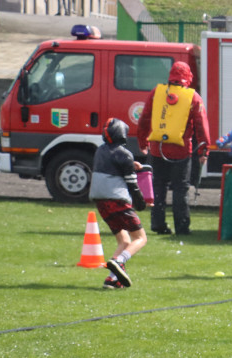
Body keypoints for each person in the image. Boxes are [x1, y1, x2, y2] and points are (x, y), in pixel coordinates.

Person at [137, 61, 211, 236]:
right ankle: (182, 226)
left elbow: (145, 119)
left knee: (158, 188)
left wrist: (143, 142)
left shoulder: (157, 93)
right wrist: (204, 150)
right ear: (188, 77)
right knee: (180, 189)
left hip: (157, 149)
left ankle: (158, 224)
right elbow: (202, 126)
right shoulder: (193, 97)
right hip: (181, 151)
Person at [88, 118, 148, 289]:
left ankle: (112, 279)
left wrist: (130, 165)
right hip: (117, 201)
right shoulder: (125, 154)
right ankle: (119, 261)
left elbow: (113, 166)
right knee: (141, 238)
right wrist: (141, 203)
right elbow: (132, 185)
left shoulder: (99, 151)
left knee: (124, 241)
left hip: (101, 203)